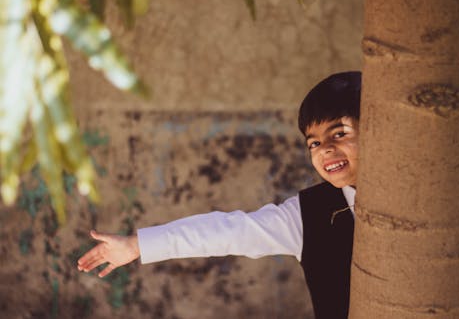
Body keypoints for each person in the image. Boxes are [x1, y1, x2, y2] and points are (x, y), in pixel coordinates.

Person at [77, 71, 361, 319]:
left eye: (339, 134)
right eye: (313, 143)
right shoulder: (307, 215)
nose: (324, 149)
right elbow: (226, 231)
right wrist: (137, 245)